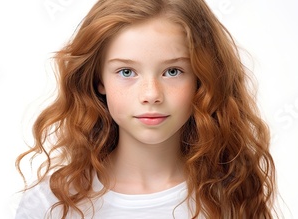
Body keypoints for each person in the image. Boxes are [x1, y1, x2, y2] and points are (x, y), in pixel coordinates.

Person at [15, 0, 277, 218]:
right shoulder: (51, 204)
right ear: (98, 80)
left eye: (172, 71)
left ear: (202, 78)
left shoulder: (232, 196)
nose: (151, 94)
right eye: (127, 71)